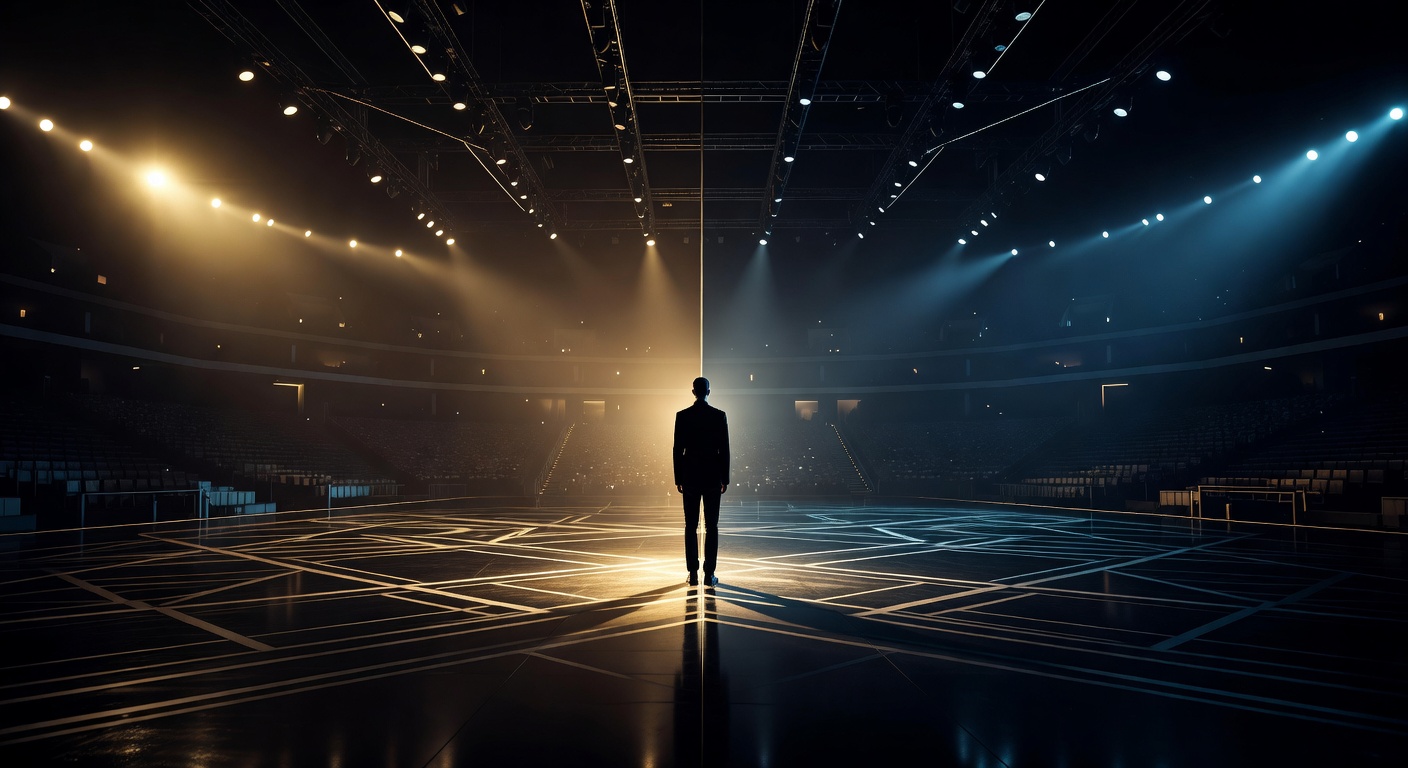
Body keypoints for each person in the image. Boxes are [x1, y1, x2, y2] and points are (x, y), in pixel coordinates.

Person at [673, 376, 729, 587]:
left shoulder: (682, 416)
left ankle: (693, 573)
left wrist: (678, 478)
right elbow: (724, 449)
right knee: (712, 526)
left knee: (690, 526)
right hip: (713, 476)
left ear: (693, 391)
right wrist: (725, 478)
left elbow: (678, 449)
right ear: (708, 391)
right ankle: (709, 574)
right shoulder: (719, 416)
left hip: (690, 476)